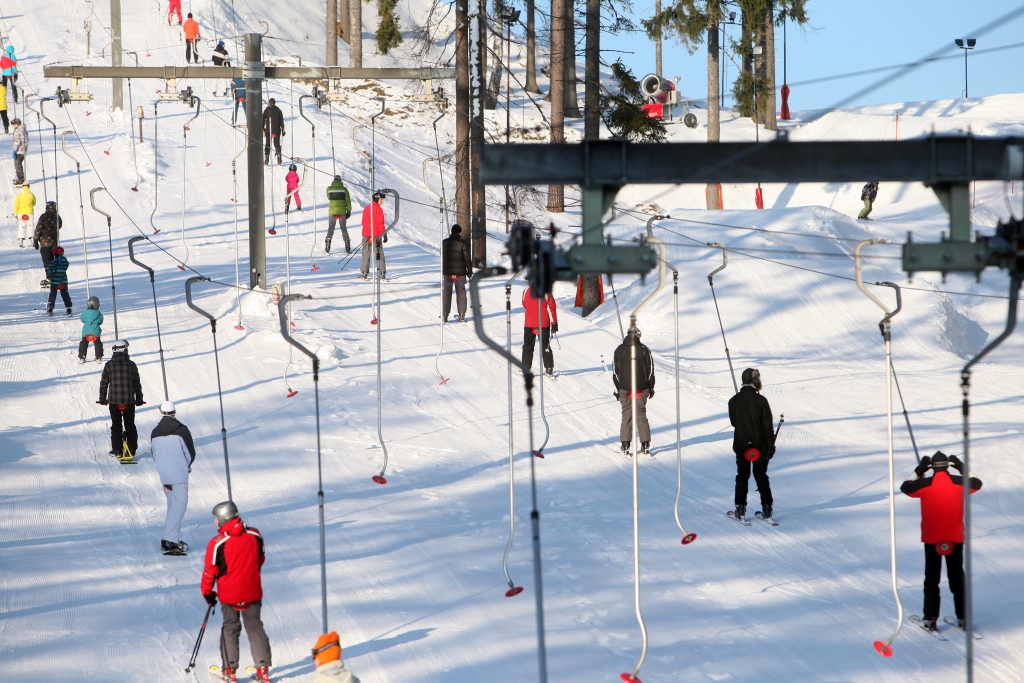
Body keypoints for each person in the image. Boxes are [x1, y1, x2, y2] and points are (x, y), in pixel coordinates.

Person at [900, 451, 982, 632]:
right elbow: (977, 483)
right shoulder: (958, 483)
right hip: (955, 538)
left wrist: (918, 471)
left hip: (932, 538)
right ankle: (964, 617)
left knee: (932, 578)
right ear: (947, 466)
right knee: (957, 577)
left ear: (933, 468)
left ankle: (930, 619)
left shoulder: (925, 484)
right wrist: (962, 467)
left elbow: (906, 487)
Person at [202, 501, 272, 683]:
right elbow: (260, 558)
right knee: (255, 626)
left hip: (229, 594)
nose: (215, 523)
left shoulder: (217, 542)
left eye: (216, 519)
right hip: (252, 591)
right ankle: (262, 670)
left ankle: (229, 671)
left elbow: (210, 570)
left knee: (230, 628)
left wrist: (207, 592)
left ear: (224, 518)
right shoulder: (255, 534)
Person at [728, 368, 776, 523]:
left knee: (742, 476)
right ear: (755, 381)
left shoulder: (733, 401)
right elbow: (767, 427)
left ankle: (740, 508)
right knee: (761, 475)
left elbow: (734, 422)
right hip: (759, 446)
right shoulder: (761, 401)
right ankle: (767, 508)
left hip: (742, 445)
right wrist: (770, 447)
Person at [152, 401, 196, 556]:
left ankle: (173, 539)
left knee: (172, 506)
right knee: (179, 507)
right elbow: (190, 453)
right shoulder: (182, 430)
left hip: (165, 476)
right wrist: (186, 466)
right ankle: (169, 540)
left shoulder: (155, 432)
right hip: (179, 474)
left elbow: (154, 454)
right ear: (174, 412)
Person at [98, 340, 145, 458]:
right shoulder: (131, 364)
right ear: (125, 349)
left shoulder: (109, 365)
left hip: (114, 401)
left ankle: (117, 450)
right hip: (129, 400)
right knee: (130, 424)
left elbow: (104, 383)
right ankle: (132, 449)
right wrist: (139, 398)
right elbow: (137, 384)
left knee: (116, 425)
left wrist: (102, 398)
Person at [613, 327, 655, 456]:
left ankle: (625, 445)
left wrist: (617, 390)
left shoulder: (619, 350)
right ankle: (645, 445)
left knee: (627, 415)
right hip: (641, 388)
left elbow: (615, 372)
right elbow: (650, 371)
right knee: (641, 416)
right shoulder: (644, 350)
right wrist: (651, 387)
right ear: (637, 335)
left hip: (625, 388)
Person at [521, 286, 557, 377]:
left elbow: (524, 304)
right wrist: (554, 323)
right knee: (545, 345)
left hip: (529, 323)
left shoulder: (526, 291)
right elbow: (551, 307)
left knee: (528, 345)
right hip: (543, 323)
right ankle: (549, 369)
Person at [441, 224, 471, 322]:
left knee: (446, 292)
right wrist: (469, 270)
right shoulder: (462, 243)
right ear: (459, 232)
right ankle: (462, 314)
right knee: (461, 292)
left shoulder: (444, 242)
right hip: (460, 272)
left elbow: (442, 255)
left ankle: (445, 314)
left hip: (447, 272)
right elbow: (467, 258)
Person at [33, 200, 62, 287]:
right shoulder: (57, 217)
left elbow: (38, 229)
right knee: (56, 260)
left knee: (48, 262)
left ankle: (50, 278)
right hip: (55, 243)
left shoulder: (43, 217)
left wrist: (35, 240)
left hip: (45, 244)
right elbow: (59, 226)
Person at [360, 191, 387, 279]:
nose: (382, 201)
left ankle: (364, 273)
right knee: (379, 253)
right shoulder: (378, 209)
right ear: (377, 199)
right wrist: (384, 234)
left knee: (365, 253)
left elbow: (363, 221)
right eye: (381, 199)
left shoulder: (366, 208)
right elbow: (380, 223)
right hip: (376, 235)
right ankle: (382, 273)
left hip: (366, 234)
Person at [325, 176, 351, 254]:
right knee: (343, 228)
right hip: (342, 211)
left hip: (332, 211)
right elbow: (348, 201)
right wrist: (348, 211)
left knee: (331, 228)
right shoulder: (344, 189)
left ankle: (328, 245)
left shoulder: (329, 189)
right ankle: (347, 245)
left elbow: (329, 197)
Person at [45, 246, 73, 316]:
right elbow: (66, 265)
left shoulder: (54, 261)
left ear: (55, 254)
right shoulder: (65, 260)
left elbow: (51, 270)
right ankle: (69, 307)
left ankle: (50, 307)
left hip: (55, 280)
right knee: (65, 294)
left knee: (53, 294)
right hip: (63, 280)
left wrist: (50, 273)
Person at [78, 296, 104, 363]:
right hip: (95, 331)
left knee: (84, 343)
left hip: (86, 331)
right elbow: (101, 321)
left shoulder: (85, 312)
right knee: (98, 343)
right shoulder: (99, 313)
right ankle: (99, 357)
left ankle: (82, 357)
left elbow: (82, 319)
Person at [262, 98, 284, 165]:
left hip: (269, 130)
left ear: (269, 102)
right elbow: (281, 121)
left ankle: (266, 158)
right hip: (277, 130)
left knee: (268, 143)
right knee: (276, 143)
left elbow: (262, 119)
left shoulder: (267, 110)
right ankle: (279, 157)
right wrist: (283, 130)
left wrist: (262, 128)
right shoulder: (278, 110)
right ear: (275, 103)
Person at [14, 182, 35, 247]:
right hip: (29, 212)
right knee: (30, 225)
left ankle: (20, 240)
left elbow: (16, 205)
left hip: (21, 213)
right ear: (28, 186)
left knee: (22, 226)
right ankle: (32, 239)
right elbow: (34, 203)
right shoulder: (31, 195)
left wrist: (15, 213)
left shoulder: (19, 195)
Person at [12, 117, 27, 185]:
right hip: (20, 150)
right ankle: (19, 177)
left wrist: (14, 150)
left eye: (14, 124)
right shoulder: (19, 129)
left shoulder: (20, 130)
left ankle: (21, 179)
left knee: (18, 164)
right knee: (17, 164)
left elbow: (18, 141)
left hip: (20, 150)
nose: (14, 126)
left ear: (18, 124)